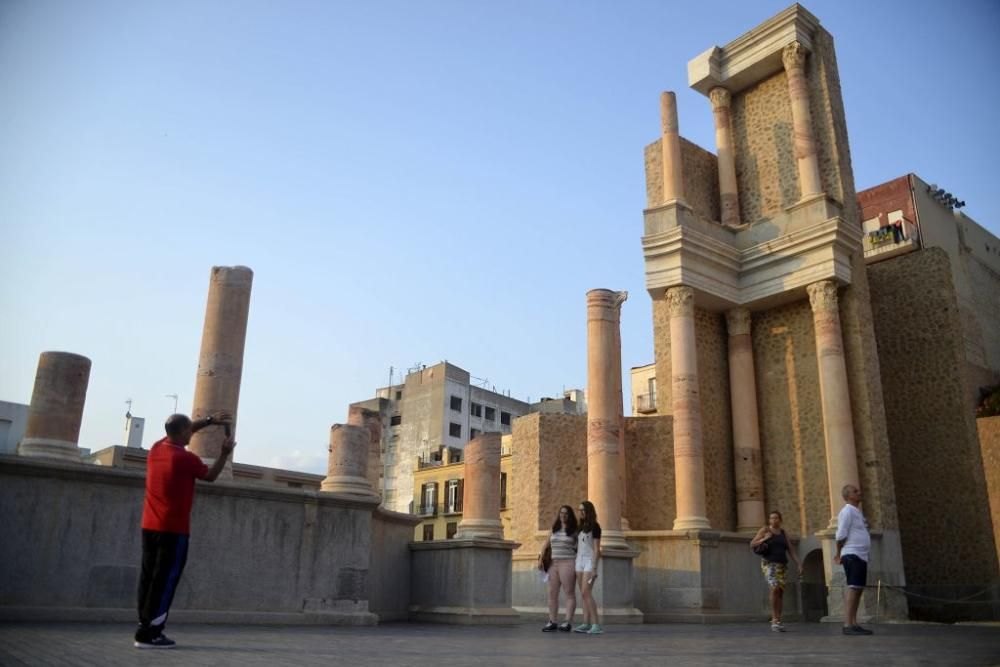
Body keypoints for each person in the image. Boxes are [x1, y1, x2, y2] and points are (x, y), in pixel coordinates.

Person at [134, 412, 235, 649]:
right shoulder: (185, 459)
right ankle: (153, 633)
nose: (192, 433)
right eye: (189, 430)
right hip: (174, 530)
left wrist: (210, 421)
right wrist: (224, 454)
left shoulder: (156, 449)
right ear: (181, 433)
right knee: (166, 580)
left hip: (149, 527)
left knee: (148, 578)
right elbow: (210, 476)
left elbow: (181, 429)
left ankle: (143, 625)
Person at [750, 510, 802, 632]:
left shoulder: (783, 532)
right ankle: (774, 619)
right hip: (769, 564)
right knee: (774, 588)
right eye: (772, 518)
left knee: (780, 592)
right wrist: (765, 539)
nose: (774, 520)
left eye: (776, 518)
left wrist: (799, 564)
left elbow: (790, 549)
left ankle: (778, 619)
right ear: (769, 520)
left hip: (782, 565)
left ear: (780, 520)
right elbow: (752, 544)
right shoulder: (765, 530)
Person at [835, 484, 873, 635]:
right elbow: (840, 535)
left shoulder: (857, 512)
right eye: (855, 491)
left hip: (861, 555)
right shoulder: (847, 511)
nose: (859, 492)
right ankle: (847, 624)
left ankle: (854, 622)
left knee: (858, 589)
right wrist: (838, 554)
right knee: (853, 587)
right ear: (848, 496)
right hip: (852, 554)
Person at [538, 505, 578, 632]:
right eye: (561, 513)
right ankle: (552, 621)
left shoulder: (574, 531)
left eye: (566, 513)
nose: (563, 515)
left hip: (568, 563)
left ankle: (567, 622)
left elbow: (579, 548)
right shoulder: (554, 529)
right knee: (552, 593)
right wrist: (541, 559)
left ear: (570, 515)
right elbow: (546, 544)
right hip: (553, 564)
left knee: (569, 593)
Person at [573, 500, 603, 635]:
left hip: (590, 561)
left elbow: (597, 549)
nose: (580, 512)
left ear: (589, 511)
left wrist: (595, 568)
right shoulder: (579, 526)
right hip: (579, 560)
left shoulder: (595, 527)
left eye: (583, 510)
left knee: (586, 592)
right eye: (579, 510)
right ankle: (586, 623)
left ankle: (596, 624)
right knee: (583, 594)